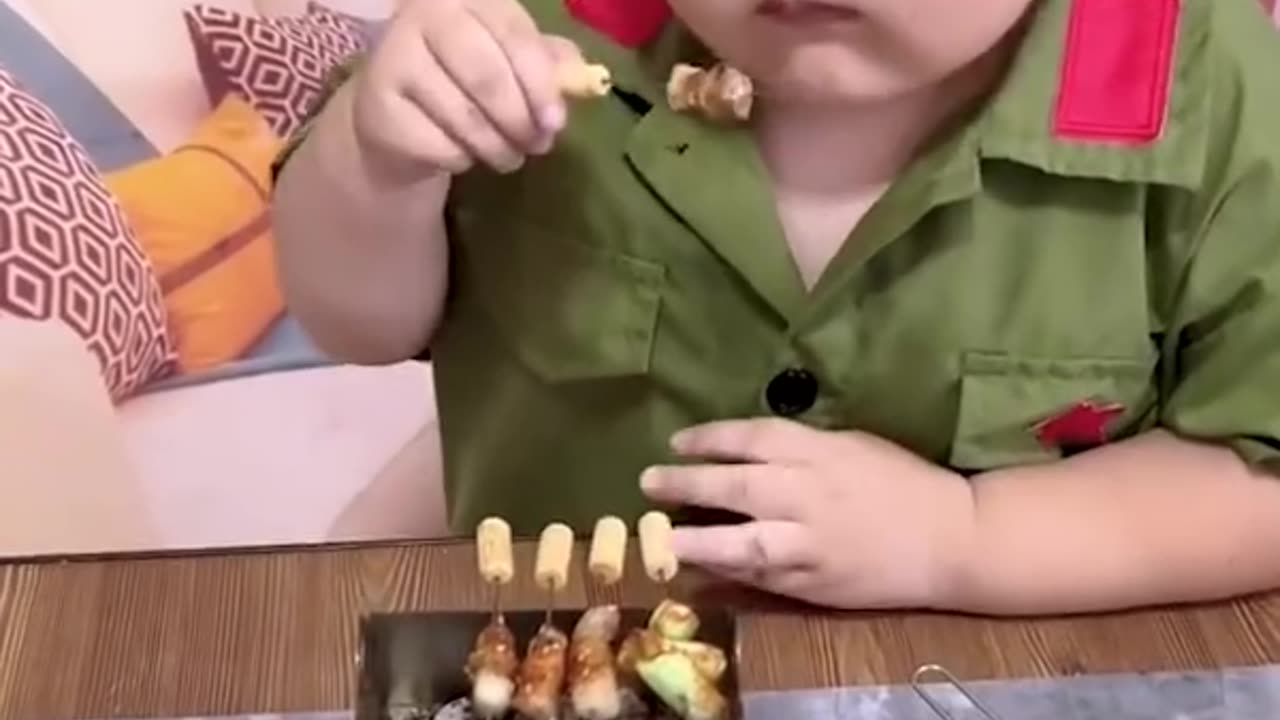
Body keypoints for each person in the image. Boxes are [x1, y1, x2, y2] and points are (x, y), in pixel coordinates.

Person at [270, 0, 1280, 616]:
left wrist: (963, 539)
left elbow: (1254, 474)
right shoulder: (522, 21)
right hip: (553, 646)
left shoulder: (1216, 83)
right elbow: (360, 323)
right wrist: (374, 162)